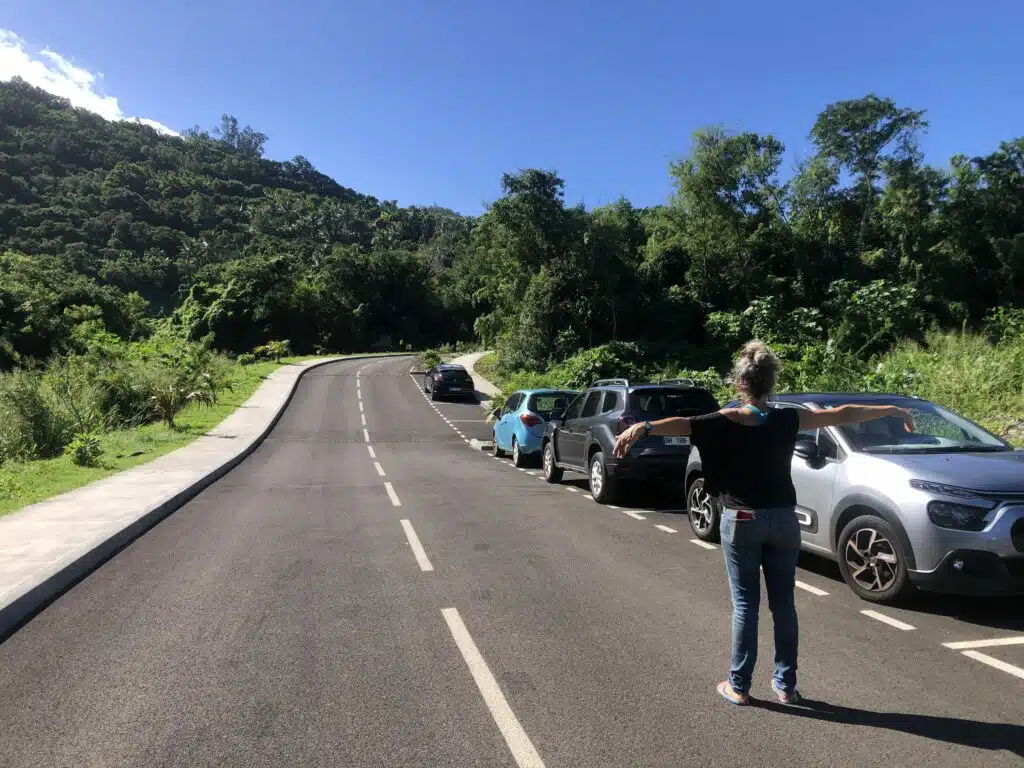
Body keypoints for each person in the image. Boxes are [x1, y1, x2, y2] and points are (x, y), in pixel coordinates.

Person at [613, 341, 914, 706]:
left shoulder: (726, 419)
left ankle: (739, 686)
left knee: (746, 605)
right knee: (784, 605)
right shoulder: (788, 418)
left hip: (742, 519)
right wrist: (892, 409)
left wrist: (642, 427)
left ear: (739, 383)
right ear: (771, 382)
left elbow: (681, 425)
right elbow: (842, 413)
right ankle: (786, 686)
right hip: (784, 518)